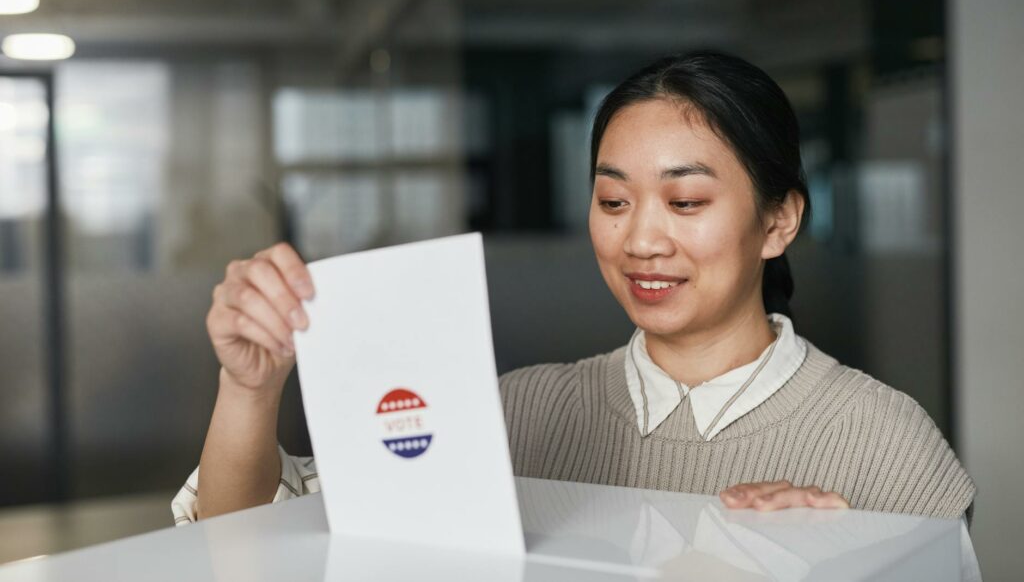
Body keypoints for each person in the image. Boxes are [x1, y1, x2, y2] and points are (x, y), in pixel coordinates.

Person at [171, 51, 979, 578]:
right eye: (613, 199)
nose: (642, 238)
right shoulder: (518, 413)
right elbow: (251, 550)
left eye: (686, 199)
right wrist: (251, 387)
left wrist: (878, 562)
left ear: (779, 222)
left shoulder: (886, 446)